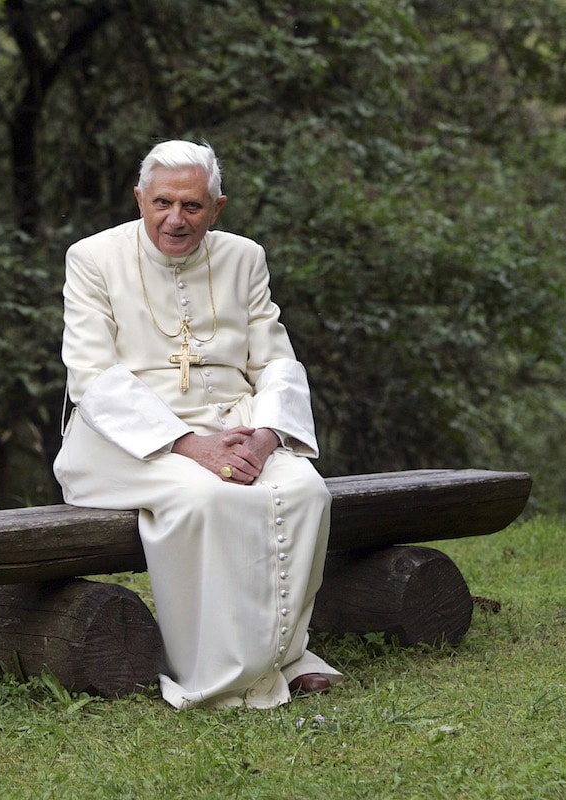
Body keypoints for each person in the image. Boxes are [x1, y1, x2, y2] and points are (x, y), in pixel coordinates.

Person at [53, 140, 342, 709]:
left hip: (236, 428)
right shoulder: (92, 258)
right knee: (207, 500)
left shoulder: (244, 257)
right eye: (162, 203)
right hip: (127, 441)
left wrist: (264, 438)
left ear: (217, 208)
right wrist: (189, 445)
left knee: (307, 491)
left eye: (192, 206)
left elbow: (275, 358)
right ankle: (215, 671)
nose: (175, 220)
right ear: (139, 199)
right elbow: (93, 376)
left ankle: (285, 654)